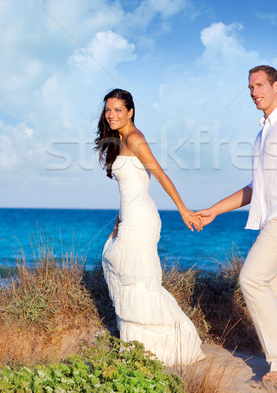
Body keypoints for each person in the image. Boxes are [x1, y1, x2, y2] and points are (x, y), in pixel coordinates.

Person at [192, 65, 277, 383]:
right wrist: (215, 211)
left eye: (260, 85)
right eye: (250, 87)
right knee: (272, 292)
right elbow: (254, 189)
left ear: (276, 86)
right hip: (272, 218)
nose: (254, 92)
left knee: (251, 280)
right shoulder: (262, 133)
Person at [94, 88, 205, 366]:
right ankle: (136, 348)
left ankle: (168, 347)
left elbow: (160, 174)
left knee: (140, 282)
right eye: (108, 110)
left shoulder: (135, 138)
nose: (112, 115)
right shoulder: (119, 141)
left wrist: (183, 210)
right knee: (125, 274)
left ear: (130, 111)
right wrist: (118, 222)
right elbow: (130, 188)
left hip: (142, 219)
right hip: (130, 216)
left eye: (118, 110)